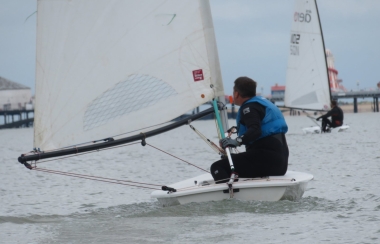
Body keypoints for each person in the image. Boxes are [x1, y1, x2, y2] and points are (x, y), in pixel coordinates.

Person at [210, 77, 289, 183]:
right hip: (280, 163)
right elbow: (257, 126)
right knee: (227, 160)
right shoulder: (260, 104)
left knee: (217, 167)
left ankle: (228, 196)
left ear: (237, 94)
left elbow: (255, 130)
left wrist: (237, 141)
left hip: (267, 161)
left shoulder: (249, 108)